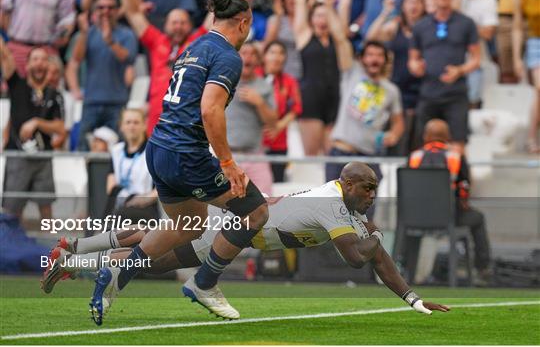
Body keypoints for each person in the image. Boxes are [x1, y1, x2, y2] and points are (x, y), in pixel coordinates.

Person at [43, 162, 450, 316]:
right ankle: (75, 254)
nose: (372, 196)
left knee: (149, 247)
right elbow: (360, 259)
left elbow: (375, 259)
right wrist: (375, 240)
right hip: (231, 230)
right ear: (347, 185)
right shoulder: (334, 207)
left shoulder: (341, 203)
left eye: (375, 189)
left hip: (237, 227)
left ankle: (74, 255)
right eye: (367, 189)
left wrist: (412, 300)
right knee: (149, 255)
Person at [87, 0, 266, 324]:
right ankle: (204, 283)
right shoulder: (228, 55)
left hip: (158, 148)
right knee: (255, 212)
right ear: (243, 23)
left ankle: (117, 272)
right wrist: (228, 163)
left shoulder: (194, 46)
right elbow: (210, 109)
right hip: (186, 153)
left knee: (189, 225)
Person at [324, 0, 404, 220]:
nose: (374, 59)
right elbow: (340, 38)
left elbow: (399, 121)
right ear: (363, 58)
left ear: (385, 60)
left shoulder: (391, 90)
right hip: (341, 154)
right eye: (370, 54)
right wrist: (329, 6)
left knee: (365, 219)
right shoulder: (352, 73)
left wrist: (395, 135)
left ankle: (364, 256)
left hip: (369, 159)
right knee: (331, 217)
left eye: (379, 55)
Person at [117, 0, 213, 135]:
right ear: (166, 25)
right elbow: (133, 13)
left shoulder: (197, 42)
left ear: (190, 25)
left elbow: (213, 18)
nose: (178, 27)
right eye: (174, 23)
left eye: (183, 23)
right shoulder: (156, 41)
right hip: (157, 118)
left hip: (187, 118)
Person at [406, 119, 492, 285]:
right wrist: (463, 202)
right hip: (448, 217)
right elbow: (464, 187)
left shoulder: (413, 157)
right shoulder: (456, 157)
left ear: (425, 136)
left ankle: (402, 264)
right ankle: (483, 269)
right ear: (448, 137)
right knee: (478, 218)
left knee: (405, 219)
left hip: (416, 218)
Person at [408, 0, 480, 155]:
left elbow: (476, 58)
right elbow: (413, 59)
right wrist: (416, 66)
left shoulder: (466, 23)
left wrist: (460, 70)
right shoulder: (421, 26)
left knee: (458, 143)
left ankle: (460, 181)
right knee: (421, 143)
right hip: (428, 92)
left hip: (455, 94)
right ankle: (423, 180)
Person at [0, 38, 65, 220]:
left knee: (46, 212)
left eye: (43, 59)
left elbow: (60, 128)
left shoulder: (55, 94)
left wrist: (37, 122)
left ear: (48, 65)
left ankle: (53, 249)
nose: (39, 63)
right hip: (17, 156)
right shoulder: (17, 85)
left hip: (43, 158)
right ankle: (10, 247)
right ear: (27, 65)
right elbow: (4, 54)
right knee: (12, 212)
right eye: (35, 59)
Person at [65, 0, 138, 151]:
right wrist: (84, 33)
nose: (106, 11)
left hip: (117, 102)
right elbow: (76, 59)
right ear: (94, 11)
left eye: (110, 7)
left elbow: (128, 58)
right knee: (83, 150)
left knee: (119, 149)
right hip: (91, 101)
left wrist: (110, 41)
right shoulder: (89, 33)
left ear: (117, 10)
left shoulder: (127, 34)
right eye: (101, 7)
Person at [366, 0, 427, 154]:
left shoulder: (429, 27)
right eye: (409, 1)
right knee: (398, 140)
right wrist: (385, 12)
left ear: (423, 5)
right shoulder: (395, 27)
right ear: (403, 5)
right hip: (398, 88)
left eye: (417, 1)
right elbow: (371, 39)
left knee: (417, 140)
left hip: (423, 90)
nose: (413, 6)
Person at [293, 0, 340, 156]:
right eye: (319, 15)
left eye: (326, 15)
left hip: (334, 98)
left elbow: (345, 6)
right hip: (311, 99)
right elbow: (299, 2)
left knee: (332, 156)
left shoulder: (337, 38)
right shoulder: (304, 35)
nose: (323, 19)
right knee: (312, 156)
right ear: (311, 19)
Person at [226, 42, 277, 195]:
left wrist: (259, 102)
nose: (248, 57)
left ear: (257, 60)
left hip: (256, 155)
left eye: (252, 53)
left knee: (266, 202)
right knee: (225, 208)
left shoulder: (264, 86)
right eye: (244, 53)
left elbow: (273, 123)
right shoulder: (224, 82)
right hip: (228, 157)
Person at [0, 0, 75, 77]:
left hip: (46, 50)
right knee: (13, 90)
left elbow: (67, 20)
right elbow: (5, 12)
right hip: (16, 49)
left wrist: (59, 39)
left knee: (47, 91)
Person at [104, 109, 158, 222]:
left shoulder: (154, 150)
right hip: (121, 204)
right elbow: (111, 187)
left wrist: (143, 200)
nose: (132, 126)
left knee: (122, 216)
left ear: (144, 125)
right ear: (121, 126)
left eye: (136, 122)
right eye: (128, 122)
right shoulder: (116, 151)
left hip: (145, 206)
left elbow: (161, 189)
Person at [260, 40, 303, 182]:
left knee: (276, 188)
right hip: (255, 143)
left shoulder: (289, 81)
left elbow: (296, 108)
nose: (276, 57)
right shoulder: (254, 76)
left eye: (281, 53)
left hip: (278, 143)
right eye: (272, 52)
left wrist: (279, 126)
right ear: (264, 56)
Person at [459, 0, 499, 107]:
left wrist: (464, 24)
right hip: (450, 56)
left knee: (472, 101)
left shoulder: (489, 0)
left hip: (475, 59)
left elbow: (488, 33)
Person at [512, 0, 540, 153]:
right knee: (539, 88)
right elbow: (517, 27)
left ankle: (531, 137)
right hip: (535, 43)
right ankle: (531, 138)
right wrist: (516, 58)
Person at [263, 0, 303, 79]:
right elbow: (268, 46)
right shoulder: (275, 19)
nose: (293, 0)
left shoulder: (308, 20)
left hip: (305, 75)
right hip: (281, 76)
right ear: (283, 0)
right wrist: (278, 16)